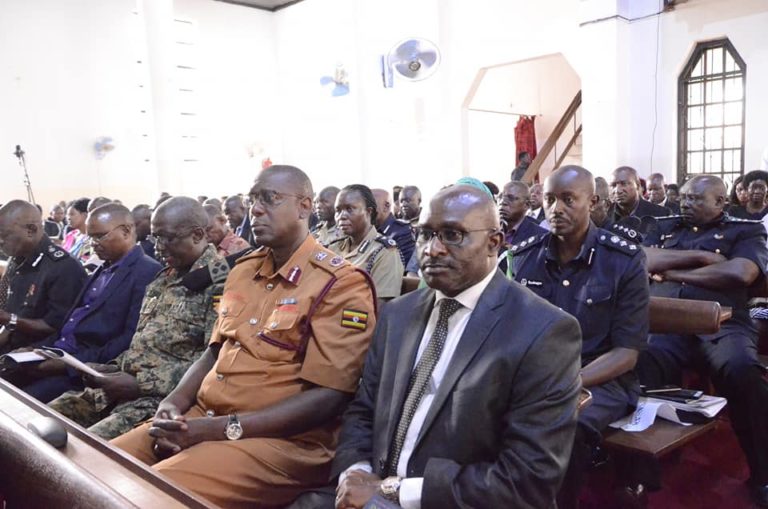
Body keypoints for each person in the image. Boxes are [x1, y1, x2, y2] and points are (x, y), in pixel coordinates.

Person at [110, 166, 377, 509]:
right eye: (253, 200)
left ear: (304, 207)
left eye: (270, 198)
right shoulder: (244, 269)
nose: (256, 209)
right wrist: (173, 403)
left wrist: (220, 429)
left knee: (146, 497)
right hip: (204, 417)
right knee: (98, 465)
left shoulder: (340, 283)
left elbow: (330, 396)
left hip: (282, 441)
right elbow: (215, 351)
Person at [328, 184, 582, 509]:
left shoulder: (543, 331)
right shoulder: (397, 315)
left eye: (452, 235)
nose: (432, 249)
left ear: (494, 243)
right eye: (425, 234)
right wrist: (357, 472)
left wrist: (394, 490)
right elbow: (364, 410)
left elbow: (527, 479)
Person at [510, 166, 649, 509]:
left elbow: (627, 352)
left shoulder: (623, 260)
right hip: (536, 374)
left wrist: (566, 382)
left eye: (568, 199)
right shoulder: (525, 256)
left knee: (561, 426)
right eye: (549, 199)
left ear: (593, 202)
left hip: (601, 378)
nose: (556, 209)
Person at [48, 197, 227, 440]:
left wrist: (141, 383)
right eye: (155, 238)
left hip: (162, 401)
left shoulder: (220, 283)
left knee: (81, 449)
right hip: (119, 390)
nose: (159, 247)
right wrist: (110, 368)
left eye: (167, 238)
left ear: (197, 235)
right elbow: (143, 344)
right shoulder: (164, 277)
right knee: (40, 420)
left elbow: (214, 362)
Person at [638, 175, 768, 507]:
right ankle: (643, 469)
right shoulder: (662, 225)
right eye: (684, 197)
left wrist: (672, 272)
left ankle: (762, 472)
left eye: (695, 198)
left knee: (742, 370)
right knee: (639, 362)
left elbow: (741, 273)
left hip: (723, 324)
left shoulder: (746, 230)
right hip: (666, 324)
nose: (685, 203)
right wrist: (703, 257)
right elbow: (642, 260)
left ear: (720, 202)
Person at [4, 204, 161, 402]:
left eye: (100, 236)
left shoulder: (147, 271)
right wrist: (39, 350)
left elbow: (127, 340)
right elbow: (69, 324)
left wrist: (69, 365)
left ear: (126, 231)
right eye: (90, 237)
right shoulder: (103, 268)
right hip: (59, 353)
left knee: (20, 405)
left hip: (86, 370)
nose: (93, 244)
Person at [0, 201, 87, 354]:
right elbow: (13, 314)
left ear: (31, 230)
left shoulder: (63, 267)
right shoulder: (16, 260)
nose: (0, 241)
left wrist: (8, 319)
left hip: (37, 353)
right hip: (10, 346)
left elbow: (57, 327)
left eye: (4, 235)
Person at [329, 185, 403, 305]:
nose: (341, 216)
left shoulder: (384, 251)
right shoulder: (333, 247)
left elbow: (381, 306)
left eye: (350, 209)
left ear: (369, 212)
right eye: (338, 210)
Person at [372, 188, 414, 266]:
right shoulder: (367, 230)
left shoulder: (403, 232)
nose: (367, 210)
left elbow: (400, 267)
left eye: (371, 205)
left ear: (386, 206)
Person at [498, 181, 547, 246]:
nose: (503, 202)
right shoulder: (489, 230)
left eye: (511, 198)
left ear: (526, 205)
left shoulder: (541, 237)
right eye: (501, 197)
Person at [62, 198, 92, 263]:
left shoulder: (92, 238)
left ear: (85, 215)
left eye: (72, 214)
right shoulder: (70, 235)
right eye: (67, 215)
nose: (68, 218)